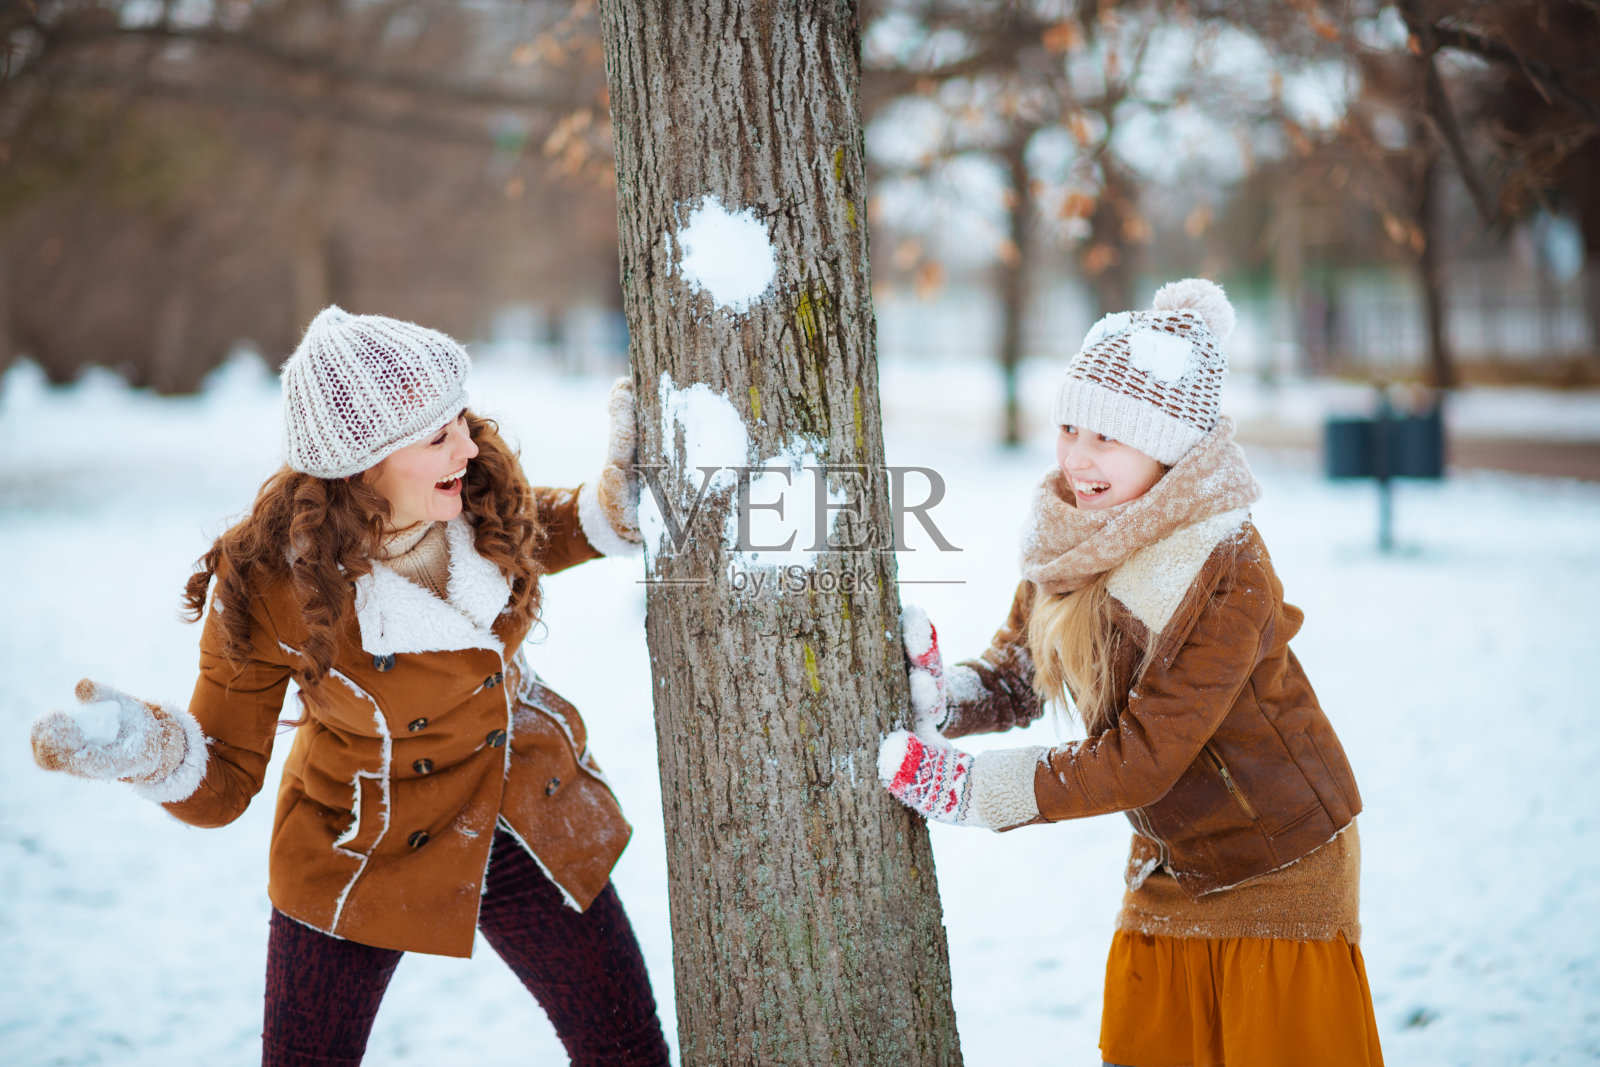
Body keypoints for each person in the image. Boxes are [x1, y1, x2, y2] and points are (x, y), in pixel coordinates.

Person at [30, 307, 671, 1067]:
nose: (467, 442)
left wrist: (610, 505)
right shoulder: (269, 579)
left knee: (626, 1049)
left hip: (518, 804)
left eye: (459, 418)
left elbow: (533, 531)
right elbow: (225, 779)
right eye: (438, 435)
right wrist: (148, 749)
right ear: (361, 461)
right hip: (357, 839)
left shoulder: (473, 487)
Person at [878, 279, 1384, 1067]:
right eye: (1070, 426)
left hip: (1278, 862)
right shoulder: (1073, 532)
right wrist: (947, 698)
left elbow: (1146, 756)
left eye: (1107, 438)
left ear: (1170, 446)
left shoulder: (1222, 562)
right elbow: (1022, 669)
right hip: (1172, 858)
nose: (1077, 457)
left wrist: (973, 790)